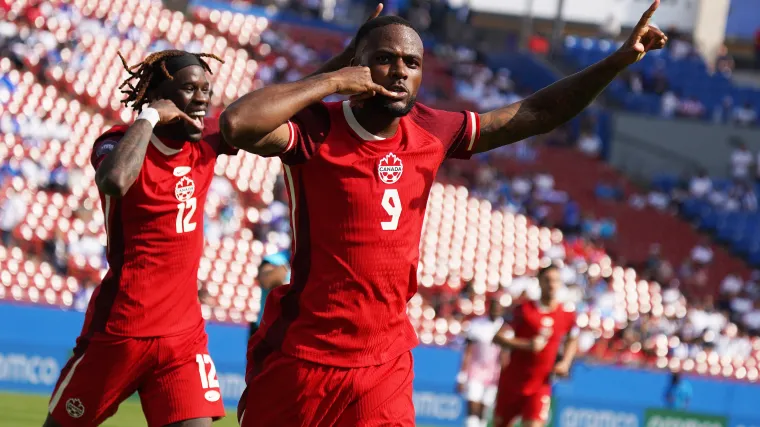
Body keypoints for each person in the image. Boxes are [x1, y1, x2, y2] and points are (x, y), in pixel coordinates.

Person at [220, 1, 667, 425]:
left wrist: (616, 61)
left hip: (384, 365)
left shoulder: (434, 129)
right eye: (385, 59)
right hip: (304, 357)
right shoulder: (316, 128)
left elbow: (536, 112)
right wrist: (332, 79)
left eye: (412, 63)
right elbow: (238, 124)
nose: (399, 72)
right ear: (356, 66)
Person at [44, 50, 237, 427]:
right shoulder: (116, 142)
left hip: (184, 335)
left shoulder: (206, 139)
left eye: (206, 89)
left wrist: (337, 68)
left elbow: (271, 109)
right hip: (122, 329)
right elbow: (115, 181)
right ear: (159, 96)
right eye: (189, 88)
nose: (201, 97)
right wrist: (148, 118)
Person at [492, 265, 579, 427]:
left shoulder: (566, 314)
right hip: (512, 382)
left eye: (556, 281)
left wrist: (565, 362)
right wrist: (527, 345)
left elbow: (573, 338)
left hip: (541, 385)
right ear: (539, 282)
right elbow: (498, 337)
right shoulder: (524, 310)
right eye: (547, 280)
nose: (552, 285)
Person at [458, 298, 505, 427]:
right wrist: (462, 376)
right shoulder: (476, 325)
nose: (496, 310)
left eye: (499, 308)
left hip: (494, 375)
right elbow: (468, 352)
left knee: (484, 411)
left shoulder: (505, 328)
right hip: (475, 371)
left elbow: (505, 356)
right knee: (473, 406)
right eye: (494, 307)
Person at [249, 251, 291, 338]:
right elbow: (266, 278)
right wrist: (275, 276)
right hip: (267, 334)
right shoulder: (275, 259)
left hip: (293, 334)